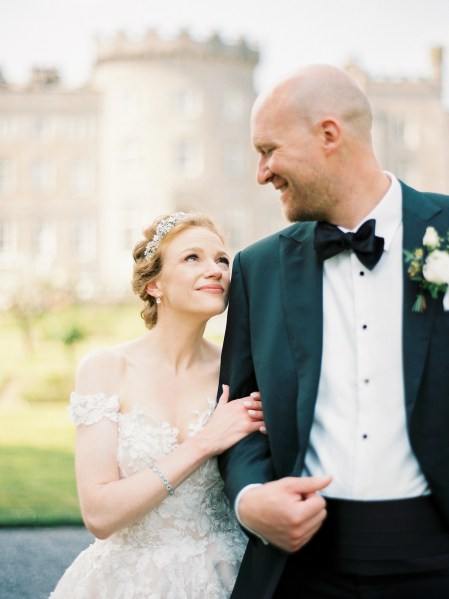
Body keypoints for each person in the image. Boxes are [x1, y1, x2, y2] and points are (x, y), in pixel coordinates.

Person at [218, 64, 449, 598]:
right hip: (301, 570)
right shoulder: (258, 270)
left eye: (268, 150)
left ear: (328, 135)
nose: (261, 173)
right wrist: (249, 496)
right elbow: (238, 411)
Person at [50, 211, 266, 599]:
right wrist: (204, 442)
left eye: (221, 259)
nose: (215, 269)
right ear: (154, 285)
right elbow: (99, 516)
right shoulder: (106, 370)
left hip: (225, 576)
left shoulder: (240, 371)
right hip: (126, 582)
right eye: (192, 258)